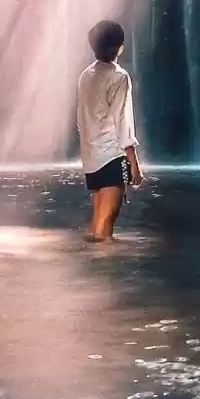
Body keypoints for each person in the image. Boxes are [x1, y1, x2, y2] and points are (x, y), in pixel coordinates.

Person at [76, 19, 142, 241]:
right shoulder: (119, 76)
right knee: (105, 229)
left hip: (92, 158)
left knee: (97, 224)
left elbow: (82, 117)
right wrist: (133, 163)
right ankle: (105, 267)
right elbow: (123, 120)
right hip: (113, 157)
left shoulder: (86, 75)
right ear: (119, 47)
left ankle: (94, 267)